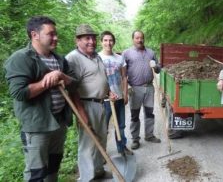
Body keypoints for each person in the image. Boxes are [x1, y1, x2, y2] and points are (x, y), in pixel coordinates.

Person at [4, 16, 76, 181]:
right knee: (36, 173)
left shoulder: (59, 59)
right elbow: (19, 93)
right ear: (35, 35)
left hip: (59, 123)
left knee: (53, 167)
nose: (55, 37)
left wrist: (62, 76)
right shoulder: (21, 58)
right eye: (51, 34)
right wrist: (46, 82)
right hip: (37, 127)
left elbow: (74, 84)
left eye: (55, 33)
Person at [65, 24, 112, 181]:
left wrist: (108, 91)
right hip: (85, 105)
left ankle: (98, 171)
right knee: (87, 144)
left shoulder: (96, 56)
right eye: (87, 38)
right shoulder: (73, 58)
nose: (91, 41)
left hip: (100, 103)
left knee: (101, 139)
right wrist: (81, 112)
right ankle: (86, 178)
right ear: (77, 40)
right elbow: (71, 88)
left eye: (93, 38)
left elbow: (99, 78)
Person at [122, 30, 161, 150]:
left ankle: (149, 135)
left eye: (141, 38)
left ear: (144, 38)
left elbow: (159, 69)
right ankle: (135, 139)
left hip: (149, 87)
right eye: (137, 38)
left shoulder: (151, 52)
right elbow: (122, 73)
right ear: (133, 39)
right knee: (135, 115)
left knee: (149, 113)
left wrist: (155, 66)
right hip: (135, 88)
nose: (140, 40)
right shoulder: (126, 53)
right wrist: (126, 88)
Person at [98, 30, 132, 155]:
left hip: (119, 98)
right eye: (105, 40)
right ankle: (102, 153)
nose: (108, 43)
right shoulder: (97, 58)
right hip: (104, 100)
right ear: (101, 42)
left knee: (121, 126)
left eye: (110, 40)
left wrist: (125, 94)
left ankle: (122, 148)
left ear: (114, 42)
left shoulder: (119, 58)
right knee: (103, 128)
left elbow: (124, 77)